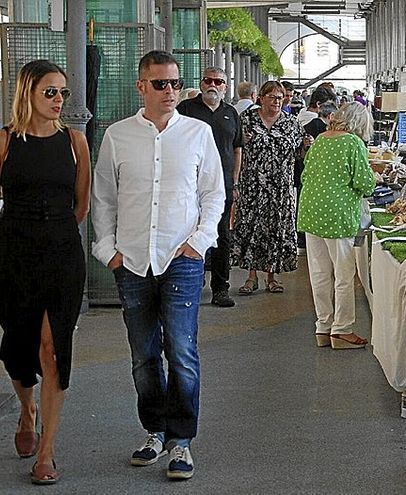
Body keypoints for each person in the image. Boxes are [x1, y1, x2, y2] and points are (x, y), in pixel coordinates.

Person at [91, 50, 225, 481]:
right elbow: (103, 198)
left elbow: (213, 195)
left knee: (182, 351)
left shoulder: (198, 134)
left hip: (181, 258)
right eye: (160, 84)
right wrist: (108, 249)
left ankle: (182, 442)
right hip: (130, 260)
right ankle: (155, 431)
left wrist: (199, 243)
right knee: (143, 355)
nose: (170, 91)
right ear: (141, 87)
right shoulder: (117, 136)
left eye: (174, 83)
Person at [0, 60, 90, 486]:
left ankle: (47, 451)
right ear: (28, 94)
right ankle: (27, 407)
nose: (58, 101)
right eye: (49, 92)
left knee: (54, 348)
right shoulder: (4, 142)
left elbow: (81, 205)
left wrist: (54, 230)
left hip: (60, 253)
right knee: (17, 349)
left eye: (63, 93)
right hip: (13, 253)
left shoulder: (75, 142)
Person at [300, 103, 375, 349]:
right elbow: (365, 183)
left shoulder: (320, 139)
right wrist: (376, 177)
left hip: (311, 210)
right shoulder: (353, 144)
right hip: (338, 214)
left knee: (319, 273)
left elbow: (305, 175)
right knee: (343, 274)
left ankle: (323, 326)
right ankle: (342, 330)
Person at [176, 66, 242, 308]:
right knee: (190, 231)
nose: (213, 85)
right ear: (201, 83)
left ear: (225, 87)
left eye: (218, 81)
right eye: (208, 80)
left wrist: (235, 182)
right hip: (190, 184)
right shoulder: (186, 109)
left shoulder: (231, 113)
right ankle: (191, 282)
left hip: (221, 185)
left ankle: (221, 288)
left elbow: (237, 149)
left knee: (221, 235)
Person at [232, 81, 305, 294]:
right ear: (260, 98)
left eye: (280, 98)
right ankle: (251, 276)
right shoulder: (246, 120)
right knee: (253, 228)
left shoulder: (291, 123)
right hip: (253, 185)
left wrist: (307, 146)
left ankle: (272, 276)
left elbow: (300, 153)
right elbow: (236, 150)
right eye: (272, 97)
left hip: (280, 186)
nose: (276, 101)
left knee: (276, 229)